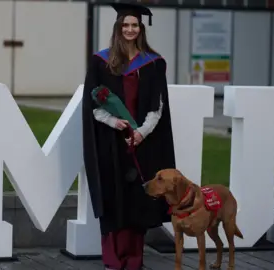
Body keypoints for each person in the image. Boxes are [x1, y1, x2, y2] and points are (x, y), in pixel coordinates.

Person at [81, 3, 176, 270]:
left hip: (141, 144)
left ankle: (134, 259)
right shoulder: (102, 61)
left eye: (134, 25)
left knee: (137, 200)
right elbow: (93, 106)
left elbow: (158, 107)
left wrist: (141, 133)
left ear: (141, 28)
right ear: (118, 28)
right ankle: (113, 259)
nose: (130, 29)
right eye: (125, 25)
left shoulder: (153, 63)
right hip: (111, 143)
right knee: (113, 197)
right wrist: (113, 121)